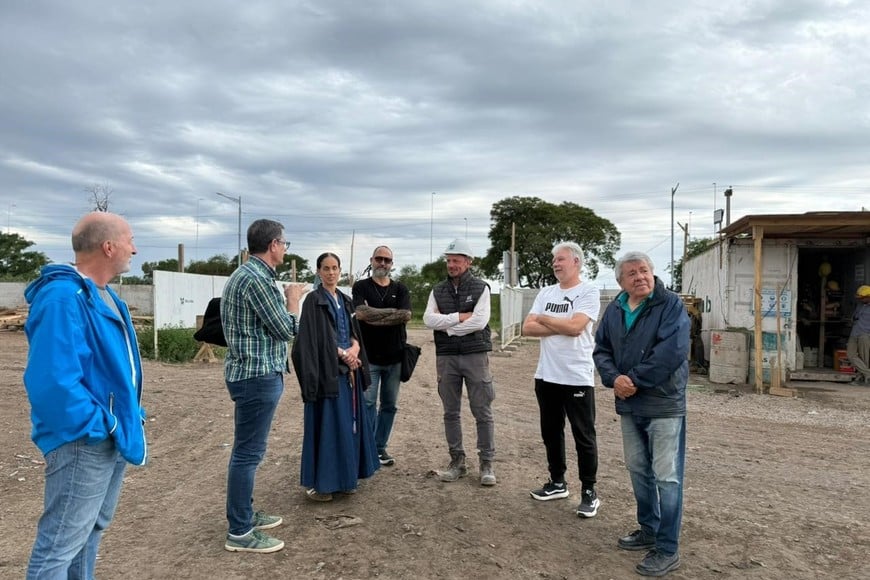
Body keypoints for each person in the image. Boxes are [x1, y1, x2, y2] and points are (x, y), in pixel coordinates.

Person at [23, 212, 146, 578]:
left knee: (87, 533)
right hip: (84, 441)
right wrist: (101, 424)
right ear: (108, 247)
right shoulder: (63, 297)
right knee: (58, 547)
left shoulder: (103, 295)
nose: (134, 249)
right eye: (129, 240)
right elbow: (53, 382)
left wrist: (125, 418)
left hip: (110, 437)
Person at [593, 251, 689, 577]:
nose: (640, 277)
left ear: (653, 272)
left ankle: (667, 549)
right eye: (632, 273)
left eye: (644, 270)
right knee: (638, 469)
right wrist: (613, 378)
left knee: (667, 476)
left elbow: (672, 352)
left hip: (663, 403)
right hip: (630, 404)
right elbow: (601, 350)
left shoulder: (670, 304)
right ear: (621, 282)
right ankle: (648, 528)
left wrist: (633, 379)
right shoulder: (616, 309)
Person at [221, 219, 307, 554]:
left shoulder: (250, 275)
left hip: (254, 373)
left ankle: (244, 513)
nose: (286, 248)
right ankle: (240, 531)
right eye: (284, 242)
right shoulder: (255, 279)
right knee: (247, 453)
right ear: (273, 244)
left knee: (249, 451)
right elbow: (287, 330)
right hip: (256, 376)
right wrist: (294, 300)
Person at [291, 252, 380, 501]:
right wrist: (342, 354)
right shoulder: (313, 301)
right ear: (318, 271)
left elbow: (354, 332)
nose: (331, 273)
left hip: (348, 372)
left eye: (335, 268)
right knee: (330, 428)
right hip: (327, 374)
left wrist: (354, 349)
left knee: (348, 428)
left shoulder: (346, 300)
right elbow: (313, 339)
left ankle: (347, 479)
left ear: (340, 271)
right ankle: (325, 484)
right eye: (326, 268)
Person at [523, 242, 602, 517]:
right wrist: (561, 325)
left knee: (583, 435)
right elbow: (526, 328)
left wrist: (545, 319)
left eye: (561, 259)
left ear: (576, 262)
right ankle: (557, 482)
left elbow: (576, 327)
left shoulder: (588, 291)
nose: (556, 264)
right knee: (551, 431)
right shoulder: (546, 292)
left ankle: (589, 492)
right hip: (547, 375)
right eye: (554, 260)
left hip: (576, 376)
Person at [423, 238, 496, 486]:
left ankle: (487, 463)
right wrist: (458, 317)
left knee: (482, 410)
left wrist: (449, 328)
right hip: (447, 357)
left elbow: (480, 322)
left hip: (475, 355)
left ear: (468, 262)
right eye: (449, 260)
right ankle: (457, 462)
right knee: (450, 412)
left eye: (456, 260)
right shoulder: (437, 290)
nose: (451, 264)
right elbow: (428, 320)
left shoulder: (481, 288)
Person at [352, 246, 412, 466]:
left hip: (395, 358)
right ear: (372, 260)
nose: (383, 263)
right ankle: (366, 448)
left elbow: (406, 315)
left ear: (392, 264)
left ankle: (379, 448)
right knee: (367, 404)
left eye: (387, 260)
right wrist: (391, 314)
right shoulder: (361, 286)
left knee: (389, 406)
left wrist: (373, 316)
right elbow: (360, 313)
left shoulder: (401, 289)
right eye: (379, 259)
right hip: (368, 358)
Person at [847, 285, 870, 383]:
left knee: (864, 357)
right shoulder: (860, 305)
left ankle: (863, 378)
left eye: (862, 297)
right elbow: (855, 317)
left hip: (865, 334)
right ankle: (868, 373)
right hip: (854, 333)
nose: (860, 299)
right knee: (850, 355)